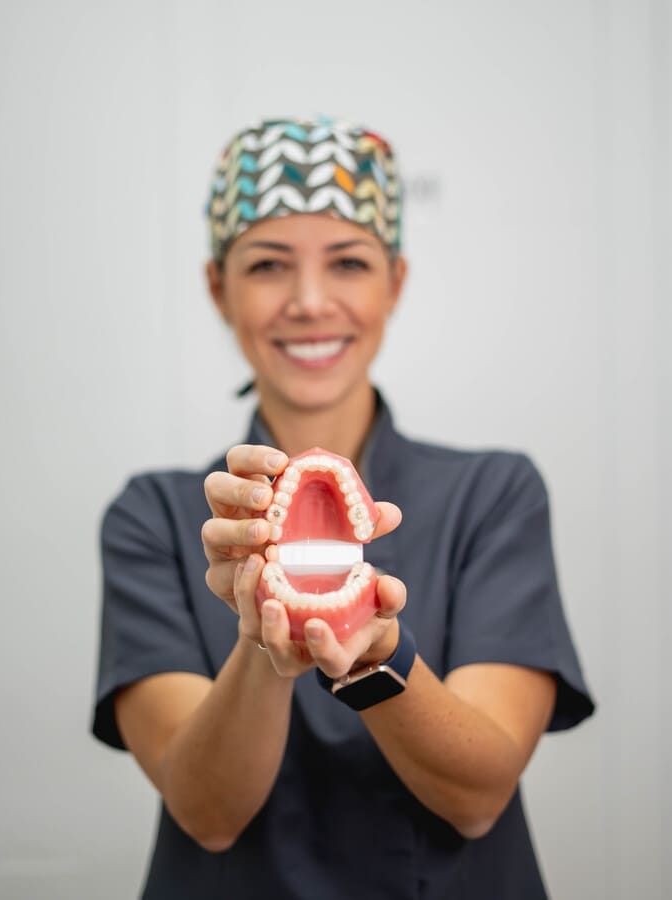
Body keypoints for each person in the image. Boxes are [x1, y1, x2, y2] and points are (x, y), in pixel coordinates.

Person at [91, 115, 595, 899]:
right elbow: (207, 813)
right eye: (266, 265)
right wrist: (262, 647)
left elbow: (476, 796)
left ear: (393, 282)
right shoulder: (153, 516)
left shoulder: (493, 494)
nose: (309, 301)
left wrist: (370, 657)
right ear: (217, 288)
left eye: (349, 262)